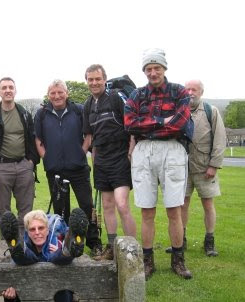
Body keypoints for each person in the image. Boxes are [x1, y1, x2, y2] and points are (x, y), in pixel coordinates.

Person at [124, 48, 193, 279]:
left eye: (157, 68)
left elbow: (180, 124)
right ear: (144, 71)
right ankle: (147, 261)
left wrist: (149, 122)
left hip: (173, 149)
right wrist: (161, 120)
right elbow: (130, 124)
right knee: (147, 211)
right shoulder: (136, 95)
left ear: (164, 68)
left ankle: (178, 260)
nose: (153, 72)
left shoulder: (179, 92)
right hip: (144, 151)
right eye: (148, 69)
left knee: (174, 209)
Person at [34, 79, 103, 256]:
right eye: (53, 93)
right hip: (55, 170)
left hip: (78, 168)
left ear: (67, 93)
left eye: (60, 92)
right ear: (48, 95)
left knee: (87, 206)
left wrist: (82, 152)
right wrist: (46, 157)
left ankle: (94, 242)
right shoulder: (41, 114)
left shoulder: (78, 110)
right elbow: (38, 140)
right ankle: (64, 244)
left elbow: (88, 134)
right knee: (60, 209)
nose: (57, 96)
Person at [165, 80, 226, 256]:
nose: (190, 92)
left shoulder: (210, 111)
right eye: (188, 89)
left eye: (194, 89)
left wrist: (214, 165)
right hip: (182, 167)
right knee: (182, 204)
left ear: (201, 91)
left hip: (204, 167)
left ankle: (209, 241)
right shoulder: (178, 111)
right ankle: (181, 241)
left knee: (207, 203)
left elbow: (220, 140)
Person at [83, 64, 137, 260]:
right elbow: (90, 137)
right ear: (87, 81)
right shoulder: (88, 104)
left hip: (121, 157)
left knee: (122, 205)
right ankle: (112, 248)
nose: (94, 82)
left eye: (98, 79)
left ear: (104, 79)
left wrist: (130, 153)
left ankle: (133, 251)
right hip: (101, 161)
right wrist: (90, 159)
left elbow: (131, 127)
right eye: (90, 79)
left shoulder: (116, 97)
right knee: (107, 205)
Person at [0, 77, 39, 240]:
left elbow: (32, 139)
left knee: (26, 209)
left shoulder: (25, 114)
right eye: (4, 88)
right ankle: (4, 244)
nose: (8, 90)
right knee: (4, 211)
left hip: (24, 166)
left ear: (15, 90)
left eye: (10, 87)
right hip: (1, 168)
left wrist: (31, 162)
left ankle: (25, 244)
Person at [0, 208, 89, 302]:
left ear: (47, 229)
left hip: (58, 293)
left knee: (55, 259)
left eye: (41, 228)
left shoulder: (55, 241)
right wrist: (11, 291)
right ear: (27, 233)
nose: (37, 232)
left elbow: (71, 279)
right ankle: (16, 247)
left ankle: (68, 248)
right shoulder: (24, 244)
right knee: (24, 258)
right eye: (32, 229)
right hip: (30, 290)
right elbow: (13, 273)